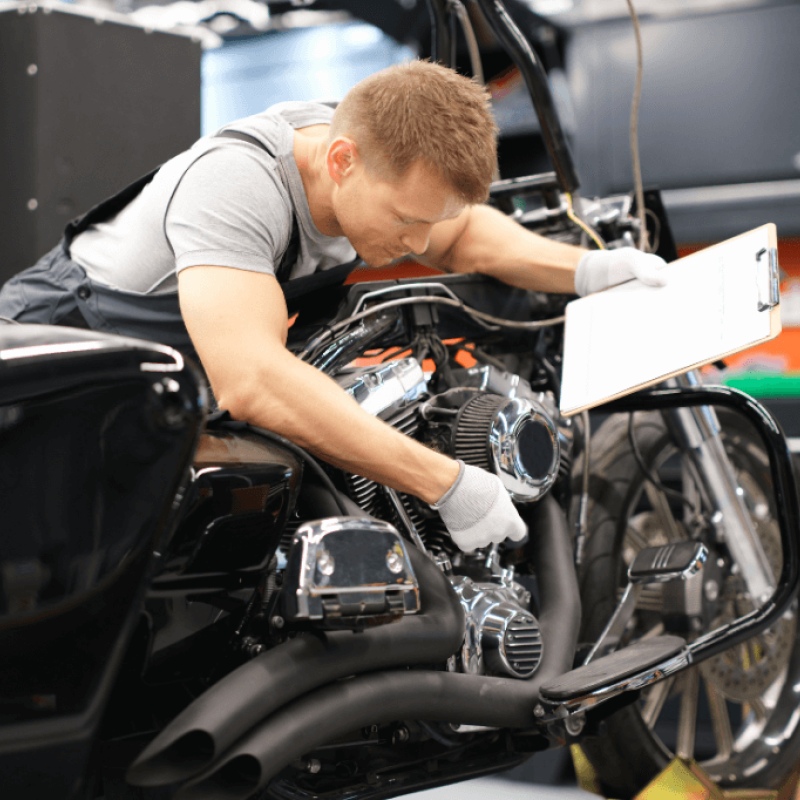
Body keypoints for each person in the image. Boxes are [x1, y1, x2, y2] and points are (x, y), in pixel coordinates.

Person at [0, 60, 666, 553]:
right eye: (405, 221)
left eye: (426, 222)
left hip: (176, 384)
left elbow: (460, 233)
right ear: (341, 161)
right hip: (56, 376)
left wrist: (589, 269)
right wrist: (446, 483)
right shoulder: (238, 184)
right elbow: (254, 380)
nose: (418, 244)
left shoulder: (376, 154)